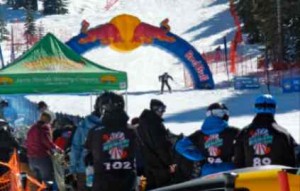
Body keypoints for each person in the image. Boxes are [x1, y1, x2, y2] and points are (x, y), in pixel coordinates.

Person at [85, 91, 136, 191]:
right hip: (127, 183)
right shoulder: (132, 131)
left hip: (102, 184)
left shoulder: (95, 131)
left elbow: (88, 157)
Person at [175, 103, 240, 177]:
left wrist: (200, 155)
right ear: (223, 114)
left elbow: (180, 146)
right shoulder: (233, 132)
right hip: (229, 173)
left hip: (208, 173)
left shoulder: (199, 134)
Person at [234, 94, 296, 168]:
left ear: (256, 108)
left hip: (250, 177)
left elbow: (238, 161)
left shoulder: (244, 132)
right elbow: (292, 160)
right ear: (274, 108)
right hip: (276, 177)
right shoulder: (283, 133)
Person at [137, 99, 176, 190]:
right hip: (159, 165)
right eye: (161, 109)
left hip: (149, 162)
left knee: (151, 186)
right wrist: (169, 163)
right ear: (155, 109)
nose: (163, 112)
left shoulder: (144, 122)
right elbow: (160, 146)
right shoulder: (154, 124)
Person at [70, 96, 102, 191]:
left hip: (83, 169)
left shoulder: (83, 125)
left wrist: (74, 169)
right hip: (104, 170)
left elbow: (76, 148)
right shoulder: (109, 127)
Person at [25, 111, 62, 184]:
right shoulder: (44, 127)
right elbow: (48, 142)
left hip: (31, 159)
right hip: (42, 158)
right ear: (48, 120)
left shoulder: (32, 128)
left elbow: (26, 142)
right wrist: (58, 150)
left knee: (37, 183)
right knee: (47, 181)